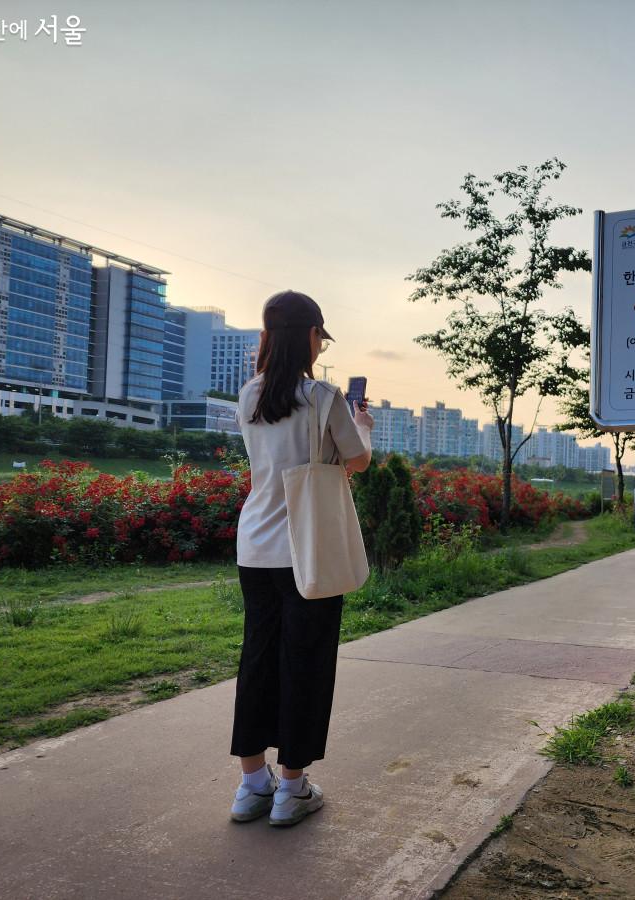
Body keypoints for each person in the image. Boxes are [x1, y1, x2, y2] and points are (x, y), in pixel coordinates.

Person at [228, 290, 374, 826]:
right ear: (312, 337)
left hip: (255, 545)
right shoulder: (324, 397)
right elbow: (356, 461)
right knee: (306, 660)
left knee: (258, 659)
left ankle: (251, 785)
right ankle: (292, 789)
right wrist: (363, 426)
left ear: (268, 338)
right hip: (307, 547)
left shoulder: (248, 396)